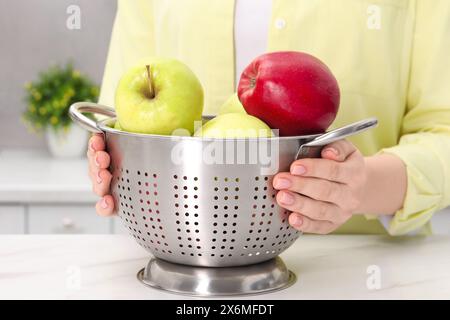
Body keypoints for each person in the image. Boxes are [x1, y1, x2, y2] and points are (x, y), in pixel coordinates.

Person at [87, 0, 450, 235]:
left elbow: (443, 131)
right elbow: (119, 121)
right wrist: (110, 159)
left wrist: (362, 185)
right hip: (179, 262)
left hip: (352, 269)